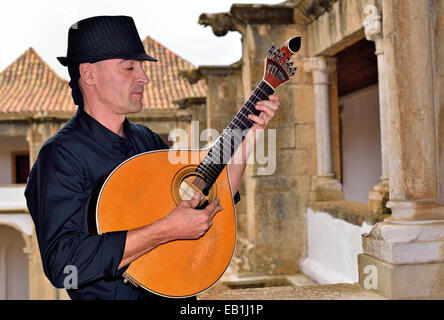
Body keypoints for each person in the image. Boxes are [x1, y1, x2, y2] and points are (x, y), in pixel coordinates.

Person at [25, 15, 279, 300]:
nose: (144, 77)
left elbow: (202, 199)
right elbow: (64, 265)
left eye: (142, 67)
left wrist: (248, 138)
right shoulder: (59, 156)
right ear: (89, 74)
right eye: (129, 67)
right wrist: (165, 230)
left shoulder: (146, 139)